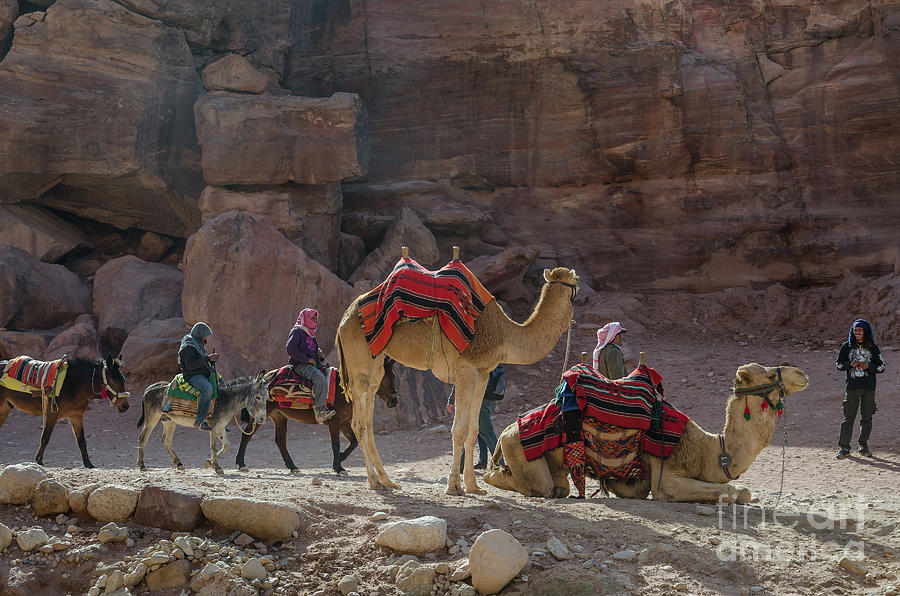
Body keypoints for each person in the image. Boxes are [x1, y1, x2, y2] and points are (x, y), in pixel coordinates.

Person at [835, 319, 885, 459]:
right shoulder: (847, 347)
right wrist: (850, 364)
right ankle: (844, 448)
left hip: (869, 388)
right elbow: (838, 365)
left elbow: (882, 367)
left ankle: (863, 446)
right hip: (852, 388)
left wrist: (868, 366)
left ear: (865, 331)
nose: (857, 332)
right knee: (848, 418)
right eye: (855, 330)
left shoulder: (873, 348)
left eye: (860, 330)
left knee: (867, 418)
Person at [447, 364, 505, 470]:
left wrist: (451, 399)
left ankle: (501, 465)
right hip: (490, 400)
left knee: (485, 433)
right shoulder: (494, 360)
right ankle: (477, 462)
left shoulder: (473, 359)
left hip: (480, 401)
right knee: (475, 431)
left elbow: (461, 378)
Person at [286, 308, 335, 423]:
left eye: (316, 318)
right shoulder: (297, 331)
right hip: (300, 365)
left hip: (311, 365)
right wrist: (307, 360)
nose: (315, 320)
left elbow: (313, 351)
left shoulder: (311, 334)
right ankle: (320, 411)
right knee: (320, 378)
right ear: (306, 318)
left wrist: (320, 355)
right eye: (312, 318)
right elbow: (290, 348)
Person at [178, 321, 218, 431]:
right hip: (192, 375)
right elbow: (190, 365)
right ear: (200, 333)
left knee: (221, 385)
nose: (206, 338)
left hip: (201, 373)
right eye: (205, 335)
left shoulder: (198, 343)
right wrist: (208, 359)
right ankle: (199, 420)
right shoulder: (188, 346)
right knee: (207, 389)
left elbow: (201, 361)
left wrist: (211, 362)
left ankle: (216, 419)